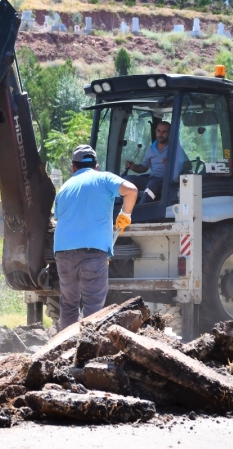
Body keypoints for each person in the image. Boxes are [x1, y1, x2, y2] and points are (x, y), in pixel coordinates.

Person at [54, 144, 138, 330]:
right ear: (96, 166)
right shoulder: (104, 178)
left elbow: (59, 218)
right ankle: (88, 349)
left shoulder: (64, 188)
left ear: (73, 167)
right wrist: (126, 214)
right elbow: (131, 191)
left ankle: (64, 348)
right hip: (93, 252)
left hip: (63, 252)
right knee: (93, 306)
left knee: (69, 304)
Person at [124, 120, 189, 202]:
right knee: (127, 179)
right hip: (152, 179)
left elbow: (188, 165)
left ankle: (140, 209)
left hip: (166, 181)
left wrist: (172, 163)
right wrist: (133, 167)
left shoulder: (175, 148)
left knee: (152, 184)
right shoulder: (151, 149)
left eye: (164, 132)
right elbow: (144, 167)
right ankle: (117, 207)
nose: (160, 134)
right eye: (158, 131)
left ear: (169, 133)